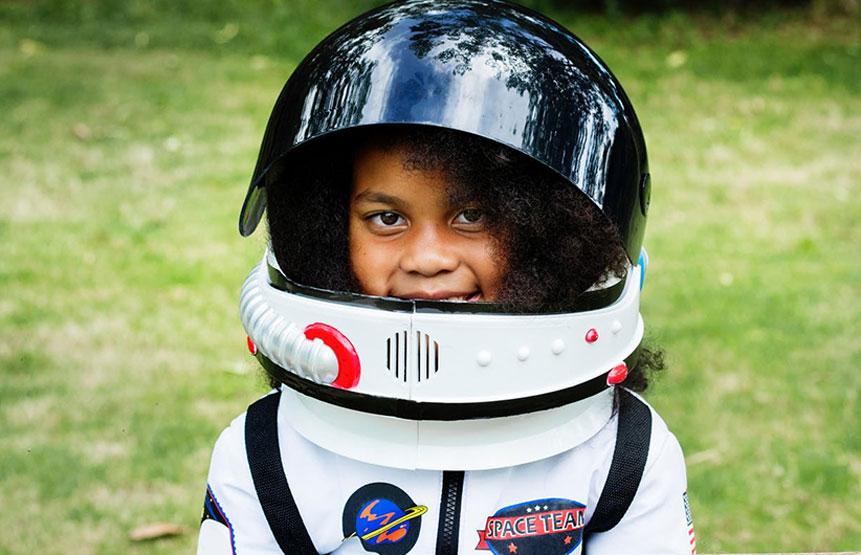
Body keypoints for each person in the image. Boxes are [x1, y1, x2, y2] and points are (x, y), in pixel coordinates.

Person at [198, 1, 696, 554]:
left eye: (472, 216)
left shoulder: (618, 455)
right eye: (387, 219)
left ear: (546, 233)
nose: (428, 258)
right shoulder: (270, 455)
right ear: (327, 235)